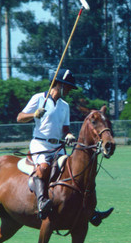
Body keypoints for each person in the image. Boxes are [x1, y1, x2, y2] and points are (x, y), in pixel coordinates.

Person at [17, 69, 113, 223]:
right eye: (67, 86)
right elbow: (20, 117)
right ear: (59, 84)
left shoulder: (64, 106)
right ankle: (42, 202)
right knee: (43, 169)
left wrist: (68, 135)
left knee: (75, 173)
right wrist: (33, 114)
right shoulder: (39, 98)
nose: (69, 90)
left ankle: (89, 210)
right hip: (40, 144)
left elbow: (65, 129)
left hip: (58, 147)